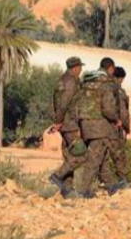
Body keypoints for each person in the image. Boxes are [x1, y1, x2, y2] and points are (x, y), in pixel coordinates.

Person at [72, 66, 121, 198]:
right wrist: (116, 120)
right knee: (94, 159)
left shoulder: (84, 88)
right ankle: (82, 190)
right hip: (99, 128)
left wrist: (80, 126)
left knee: (102, 158)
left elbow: (75, 109)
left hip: (85, 127)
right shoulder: (104, 87)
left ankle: (111, 186)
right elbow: (108, 110)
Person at [49, 56, 85, 197]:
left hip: (65, 123)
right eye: (80, 67)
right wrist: (59, 122)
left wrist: (58, 122)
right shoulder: (71, 82)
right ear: (75, 68)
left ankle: (67, 189)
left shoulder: (62, 80)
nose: (81, 70)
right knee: (81, 155)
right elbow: (63, 104)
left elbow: (56, 103)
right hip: (70, 124)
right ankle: (57, 176)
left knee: (70, 156)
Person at [99, 66, 131, 194]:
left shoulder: (102, 87)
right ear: (120, 78)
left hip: (99, 128)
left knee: (102, 156)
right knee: (118, 155)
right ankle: (122, 181)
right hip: (113, 128)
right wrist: (126, 126)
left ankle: (106, 181)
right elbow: (123, 112)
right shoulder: (117, 91)